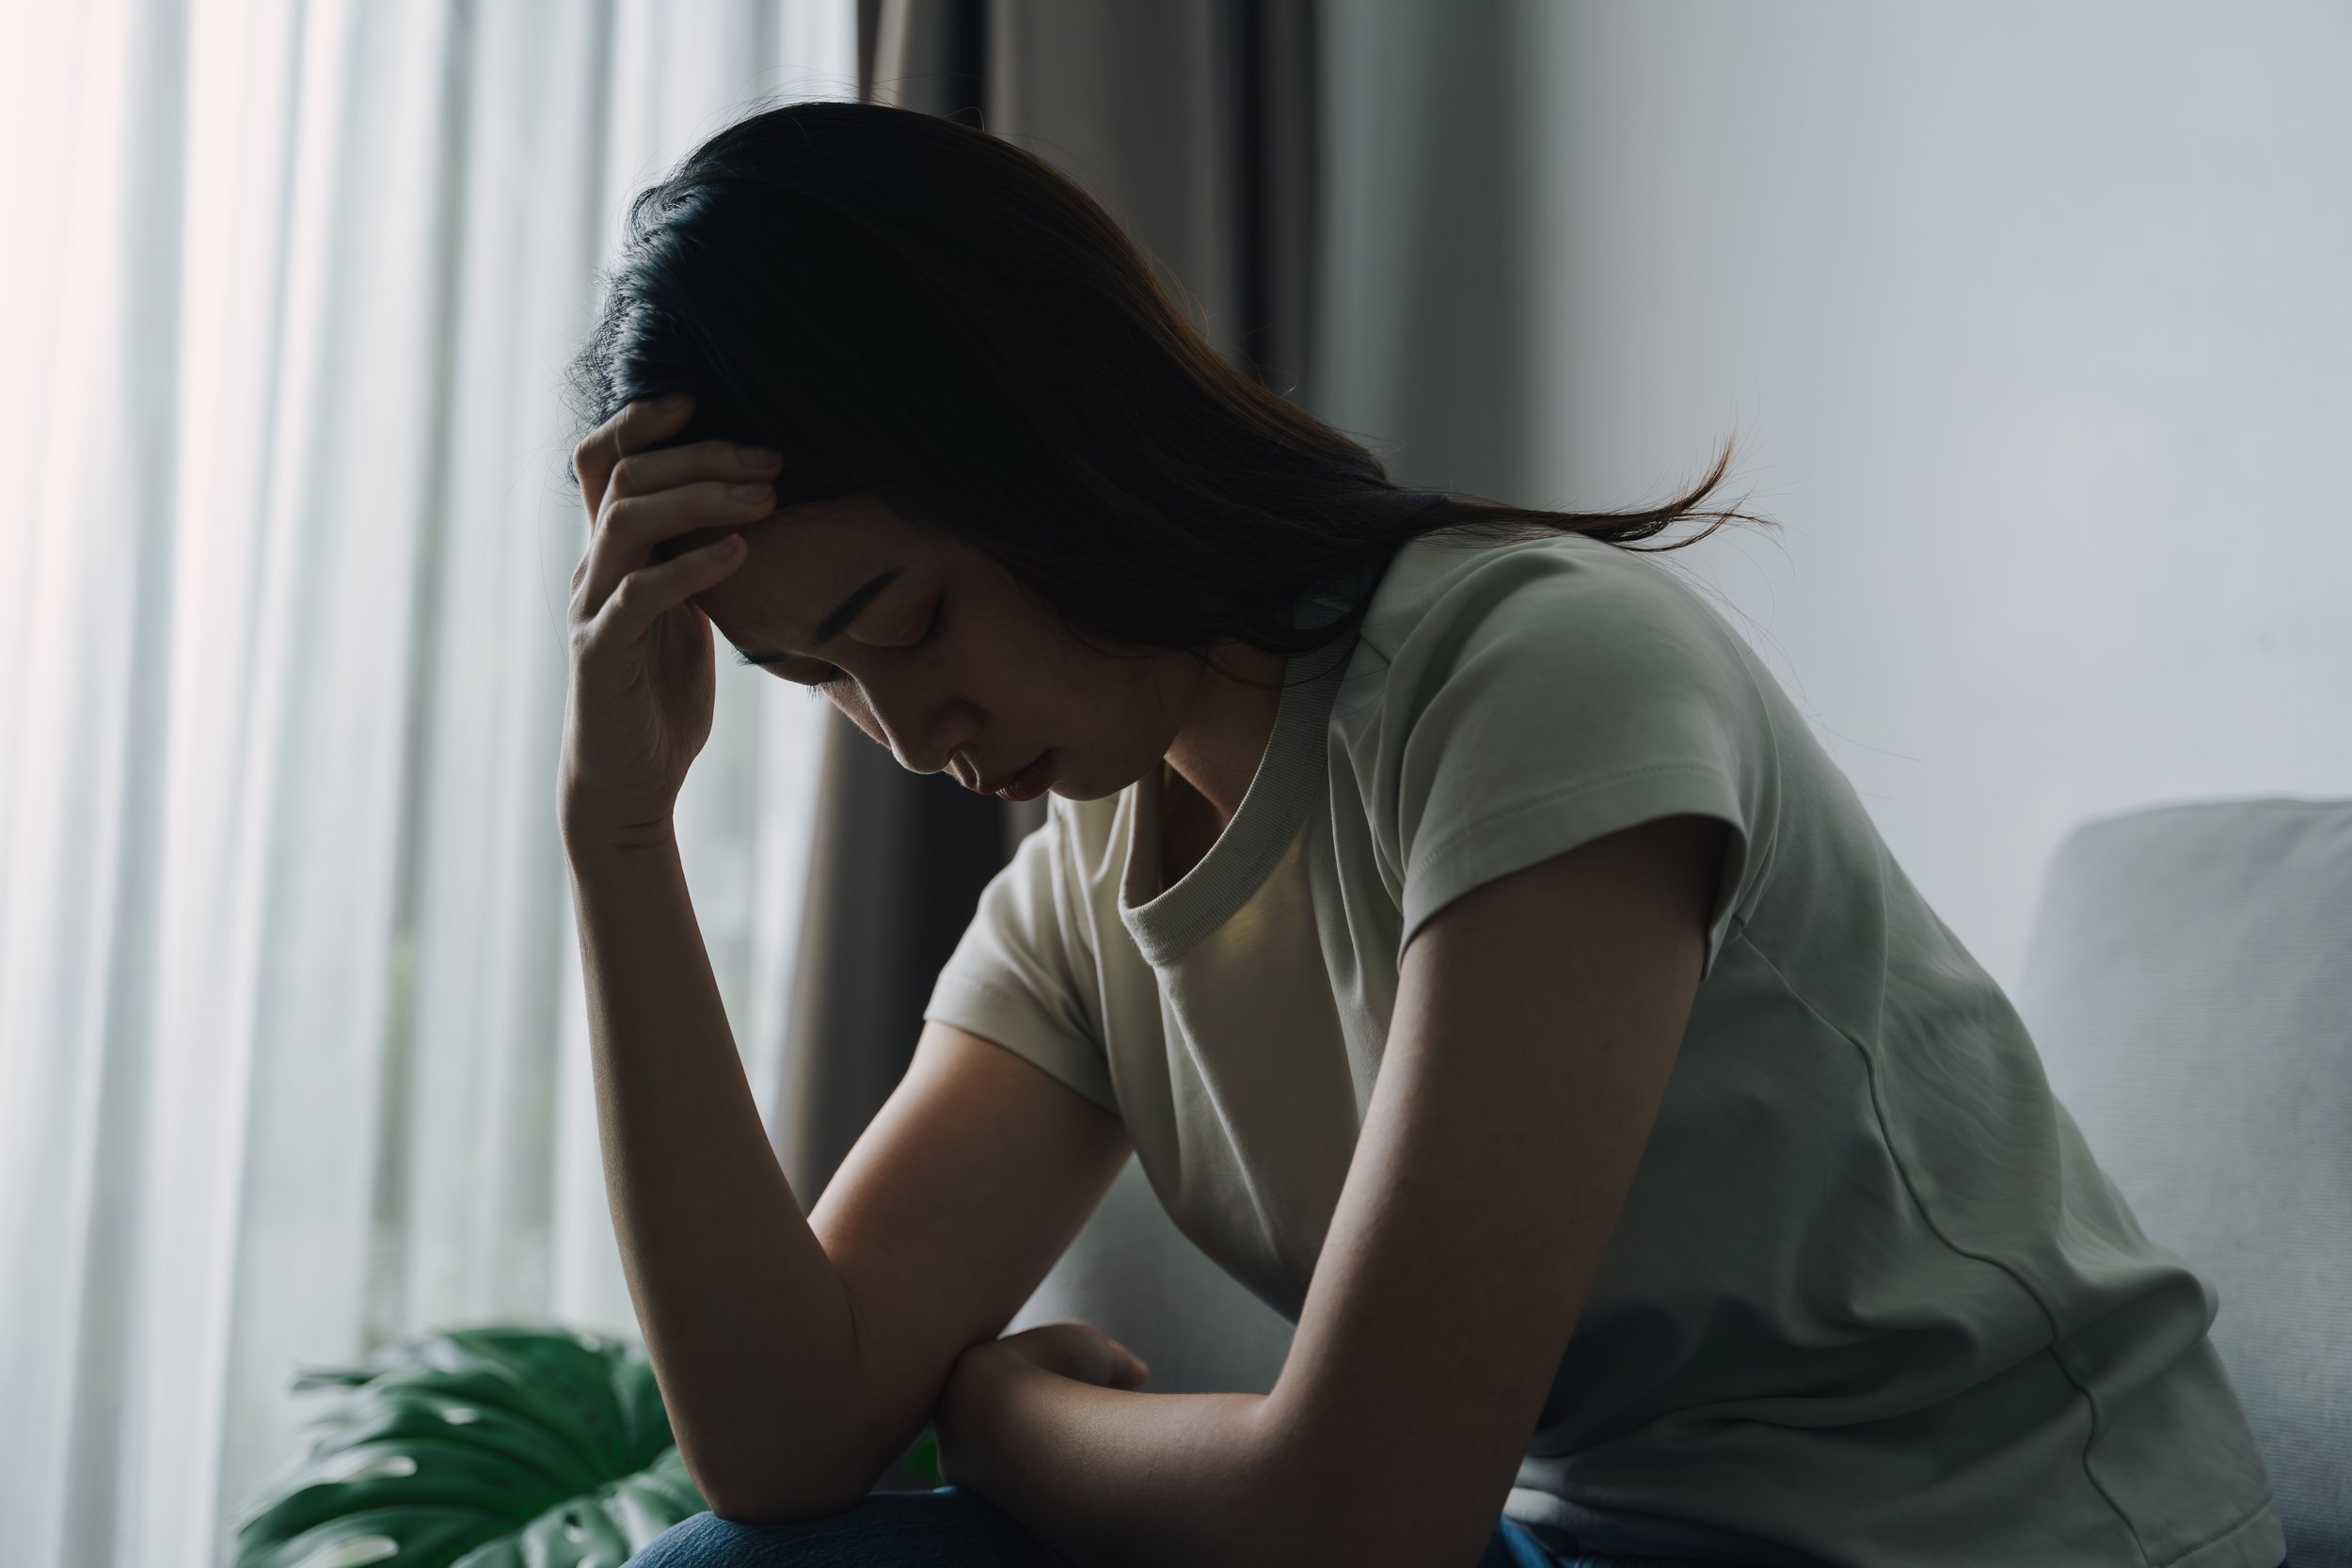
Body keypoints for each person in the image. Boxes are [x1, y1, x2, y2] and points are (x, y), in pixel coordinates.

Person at [557, 99, 2291, 1568]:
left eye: (909, 620)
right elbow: (783, 1444)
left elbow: (1362, 1525)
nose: (909, 738)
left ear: (1037, 446)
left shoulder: (1528, 674)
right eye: (817, 680)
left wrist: (1007, 1419)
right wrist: (620, 837)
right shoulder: (1084, 895)